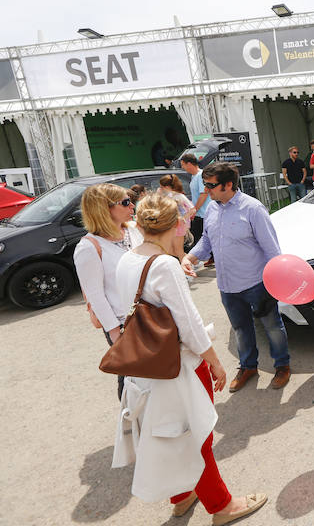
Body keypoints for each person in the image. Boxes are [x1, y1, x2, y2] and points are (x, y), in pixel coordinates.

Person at [115, 193, 267, 524]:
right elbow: (190, 325)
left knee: (169, 431)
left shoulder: (128, 259)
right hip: (179, 365)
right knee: (199, 435)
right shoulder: (165, 265)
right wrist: (214, 361)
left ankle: (183, 495)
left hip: (145, 365)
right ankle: (222, 506)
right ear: (178, 226)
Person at [181, 162, 291, 392]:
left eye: (211, 186)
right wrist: (189, 258)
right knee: (241, 329)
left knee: (272, 326)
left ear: (228, 184)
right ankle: (248, 367)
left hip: (256, 283)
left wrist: (275, 283)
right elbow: (207, 241)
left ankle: (282, 366)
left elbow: (272, 249)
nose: (206, 191)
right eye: (205, 185)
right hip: (227, 285)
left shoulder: (253, 209)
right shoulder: (212, 208)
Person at [73, 184, 143, 399]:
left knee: (157, 369)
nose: (132, 205)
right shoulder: (89, 247)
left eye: (130, 200)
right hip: (124, 323)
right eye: (124, 202)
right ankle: (130, 419)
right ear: (104, 208)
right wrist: (115, 333)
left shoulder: (133, 229)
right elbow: (95, 296)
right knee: (131, 376)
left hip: (151, 314)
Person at [181, 153, 214, 268]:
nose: (183, 168)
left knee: (200, 236)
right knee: (200, 236)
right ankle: (209, 257)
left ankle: (200, 258)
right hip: (200, 213)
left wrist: (195, 209)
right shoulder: (194, 177)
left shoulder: (200, 175)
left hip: (204, 213)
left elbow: (203, 194)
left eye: (183, 165)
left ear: (189, 163)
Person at [158, 174, 194, 260]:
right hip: (171, 226)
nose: (160, 188)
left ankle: (189, 266)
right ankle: (192, 262)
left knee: (178, 251)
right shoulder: (167, 196)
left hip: (178, 226)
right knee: (170, 249)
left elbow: (192, 209)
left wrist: (183, 218)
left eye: (161, 187)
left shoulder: (179, 196)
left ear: (166, 187)